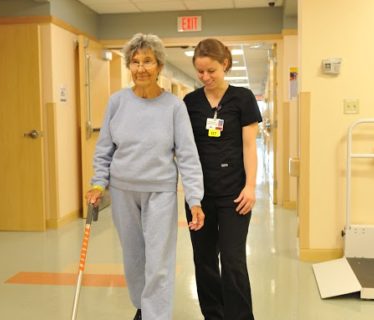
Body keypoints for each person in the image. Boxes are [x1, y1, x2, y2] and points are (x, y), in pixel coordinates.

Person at [85, 33, 205, 320]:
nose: (141, 68)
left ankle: (155, 315)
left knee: (159, 261)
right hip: (124, 190)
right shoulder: (117, 102)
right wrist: (98, 183)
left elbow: (187, 155)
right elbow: (104, 149)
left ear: (159, 66)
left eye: (148, 61)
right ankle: (143, 306)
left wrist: (195, 199)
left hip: (160, 191)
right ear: (129, 65)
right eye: (135, 62)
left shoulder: (174, 107)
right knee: (134, 258)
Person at [183, 38, 262, 320]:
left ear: (225, 64)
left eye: (211, 71)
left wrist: (251, 186)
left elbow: (250, 146)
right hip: (199, 197)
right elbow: (184, 148)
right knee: (204, 261)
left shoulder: (242, 98)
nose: (205, 77)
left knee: (232, 261)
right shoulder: (190, 103)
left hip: (235, 195)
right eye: (200, 71)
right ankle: (213, 316)